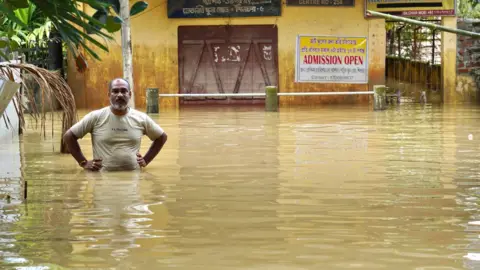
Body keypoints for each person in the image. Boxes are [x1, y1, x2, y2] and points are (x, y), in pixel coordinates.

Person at [63, 78, 167, 171]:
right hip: (102, 180)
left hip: (133, 181)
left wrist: (146, 160)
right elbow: (69, 136)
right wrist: (83, 162)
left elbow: (161, 137)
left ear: (130, 94)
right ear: (109, 95)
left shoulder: (141, 118)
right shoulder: (96, 117)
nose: (120, 95)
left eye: (124, 91)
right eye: (115, 91)